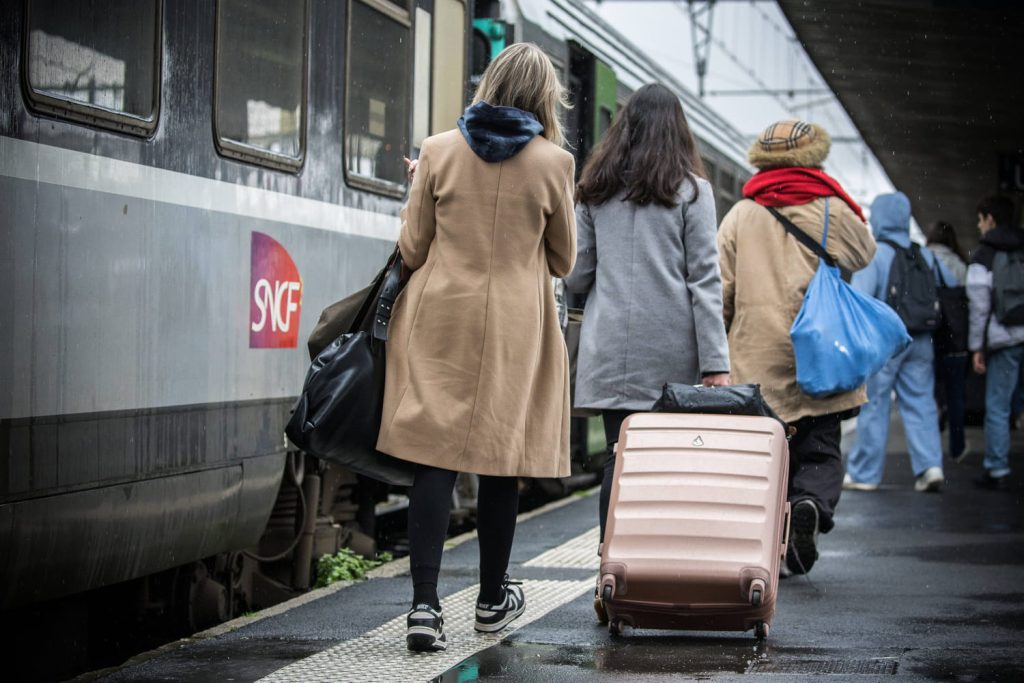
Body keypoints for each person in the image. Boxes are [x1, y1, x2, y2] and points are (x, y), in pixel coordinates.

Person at [376, 43, 576, 652]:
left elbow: (413, 248)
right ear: (544, 95)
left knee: (435, 455)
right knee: (499, 458)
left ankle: (424, 608)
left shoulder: (438, 151)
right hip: (517, 325)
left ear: (488, 82)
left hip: (442, 317)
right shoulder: (554, 163)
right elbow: (564, 259)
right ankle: (491, 602)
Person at [565, 83, 731, 548]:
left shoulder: (595, 191)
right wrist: (716, 363)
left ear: (624, 128)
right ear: (678, 132)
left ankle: (609, 567)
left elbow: (577, 276)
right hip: (670, 354)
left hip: (610, 348)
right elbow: (705, 281)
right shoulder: (694, 193)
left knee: (619, 458)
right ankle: (655, 562)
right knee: (666, 463)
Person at [718, 119, 875, 576]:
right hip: (822, 348)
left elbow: (721, 290)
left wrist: (716, 352)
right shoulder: (831, 208)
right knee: (822, 447)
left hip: (756, 354)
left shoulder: (741, 214)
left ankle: (772, 537)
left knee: (768, 453)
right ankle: (810, 503)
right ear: (813, 158)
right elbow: (863, 253)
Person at [845, 193, 954, 494]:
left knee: (875, 405)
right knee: (921, 403)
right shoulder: (925, 254)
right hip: (921, 339)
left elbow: (860, 301)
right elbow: (950, 289)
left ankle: (865, 473)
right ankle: (930, 466)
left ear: (879, 218)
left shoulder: (877, 253)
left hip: (886, 343)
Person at [966, 194, 1024, 490]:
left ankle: (997, 469)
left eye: (979, 219)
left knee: (998, 406)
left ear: (990, 218)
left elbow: (979, 308)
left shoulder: (985, 253)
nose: (978, 226)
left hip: (1005, 339)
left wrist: (978, 347)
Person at [925, 221, 970, 462]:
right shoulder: (961, 264)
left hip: (931, 338)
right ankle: (957, 446)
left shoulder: (924, 259)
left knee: (927, 396)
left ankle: (931, 454)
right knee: (956, 396)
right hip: (956, 339)